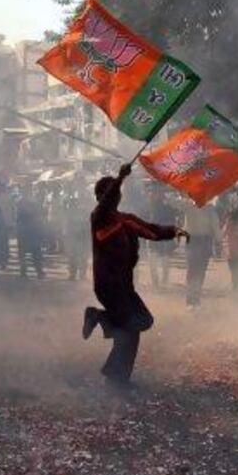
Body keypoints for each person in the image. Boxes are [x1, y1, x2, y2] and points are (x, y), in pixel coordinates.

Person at [82, 164, 188, 384]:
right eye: (113, 192)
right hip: (107, 284)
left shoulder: (125, 219)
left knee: (142, 322)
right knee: (128, 329)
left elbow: (152, 230)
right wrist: (120, 177)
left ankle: (114, 368)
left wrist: (174, 231)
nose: (117, 196)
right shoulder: (99, 218)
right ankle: (117, 377)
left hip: (124, 285)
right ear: (101, 197)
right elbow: (105, 202)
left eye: (118, 192)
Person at [169, 197, 220, 307]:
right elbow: (174, 203)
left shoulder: (209, 208)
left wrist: (218, 241)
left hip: (203, 240)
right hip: (194, 240)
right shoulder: (188, 205)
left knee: (199, 271)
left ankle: (195, 299)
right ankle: (191, 300)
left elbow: (215, 225)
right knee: (193, 270)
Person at [147, 186, 179, 288]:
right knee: (157, 257)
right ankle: (158, 280)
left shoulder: (163, 206)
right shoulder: (156, 205)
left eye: (154, 193)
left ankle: (162, 279)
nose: (152, 195)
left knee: (162, 256)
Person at [16, 186, 46, 279]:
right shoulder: (32, 202)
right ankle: (38, 271)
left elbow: (17, 217)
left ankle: (24, 271)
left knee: (24, 252)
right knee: (35, 251)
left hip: (25, 229)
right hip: (30, 229)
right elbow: (38, 216)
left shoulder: (19, 202)